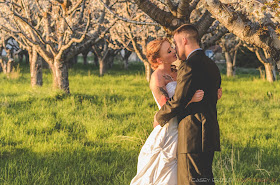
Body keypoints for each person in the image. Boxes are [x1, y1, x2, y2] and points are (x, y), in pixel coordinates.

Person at [130, 37, 222, 184]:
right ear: (160, 60)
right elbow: (167, 105)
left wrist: (213, 91)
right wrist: (190, 100)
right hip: (170, 127)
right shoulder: (157, 77)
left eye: (172, 47)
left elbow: (194, 86)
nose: (174, 51)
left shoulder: (180, 69)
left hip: (186, 124)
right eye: (168, 51)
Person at [154, 24, 222, 185]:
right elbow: (214, 95)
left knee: (191, 181)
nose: (176, 49)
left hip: (193, 134)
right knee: (205, 180)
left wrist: (159, 116)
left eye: (176, 44)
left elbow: (179, 100)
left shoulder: (190, 66)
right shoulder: (212, 65)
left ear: (184, 40)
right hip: (209, 132)